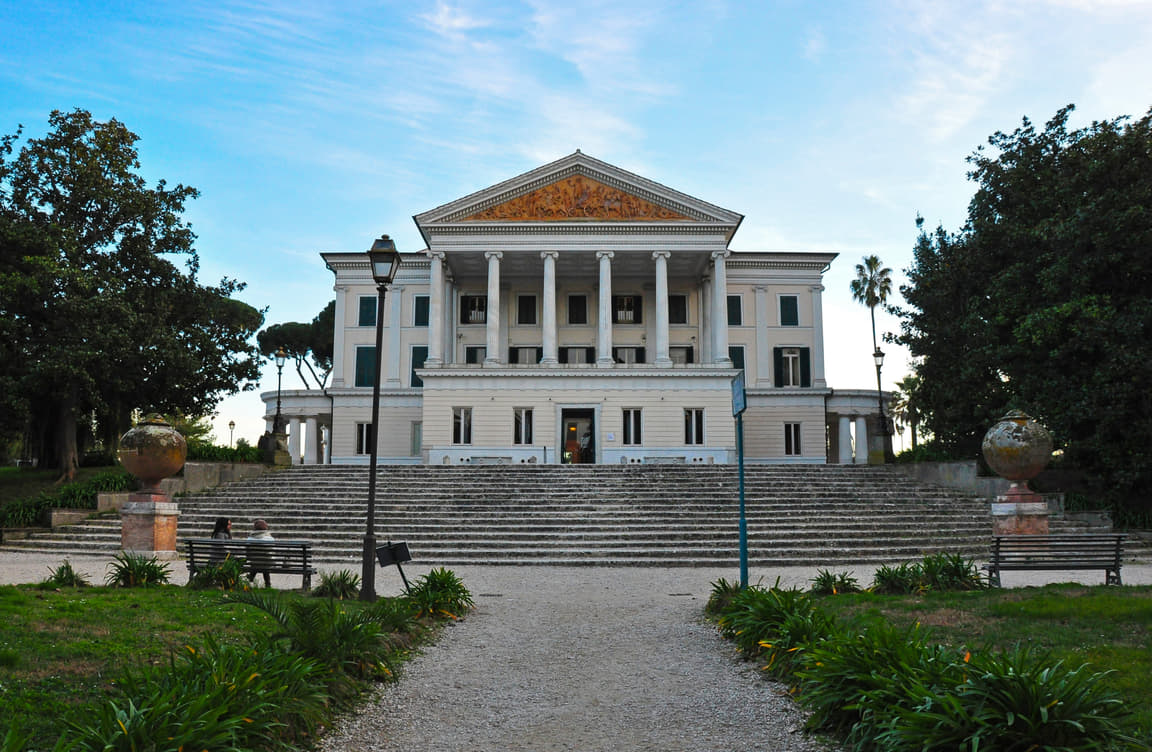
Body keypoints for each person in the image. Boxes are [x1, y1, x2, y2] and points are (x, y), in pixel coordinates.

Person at [245, 519, 275, 588]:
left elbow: (248, 552)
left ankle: (250, 579)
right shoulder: (270, 538)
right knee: (264, 564)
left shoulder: (250, 539)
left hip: (254, 562)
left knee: (256, 563)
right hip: (267, 562)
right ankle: (268, 584)